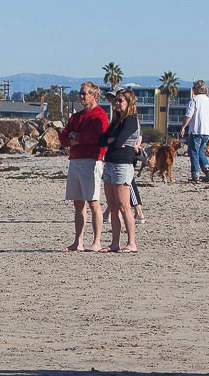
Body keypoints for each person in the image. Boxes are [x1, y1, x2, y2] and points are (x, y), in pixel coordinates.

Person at [57, 82, 109, 251]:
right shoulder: (76, 117)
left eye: (84, 93)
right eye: (80, 93)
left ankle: (96, 241)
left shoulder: (100, 115)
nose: (81, 96)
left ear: (94, 96)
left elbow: (94, 136)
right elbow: (64, 138)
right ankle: (78, 241)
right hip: (75, 160)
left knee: (93, 202)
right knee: (78, 203)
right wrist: (75, 138)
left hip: (91, 161)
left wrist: (76, 137)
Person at [97, 89, 141, 253]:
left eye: (120, 100)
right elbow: (101, 140)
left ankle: (131, 242)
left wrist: (113, 141)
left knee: (124, 205)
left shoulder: (131, 121)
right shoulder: (116, 121)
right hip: (109, 163)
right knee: (112, 204)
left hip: (123, 164)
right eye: (116, 100)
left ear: (129, 103)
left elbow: (118, 142)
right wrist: (110, 140)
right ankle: (115, 242)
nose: (116, 103)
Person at [180, 80, 209, 183]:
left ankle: (195, 175)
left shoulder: (194, 100)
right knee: (200, 151)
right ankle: (206, 168)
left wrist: (183, 127)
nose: (193, 90)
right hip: (206, 132)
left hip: (196, 130)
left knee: (193, 153)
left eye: (194, 88)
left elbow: (188, 115)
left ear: (197, 89)